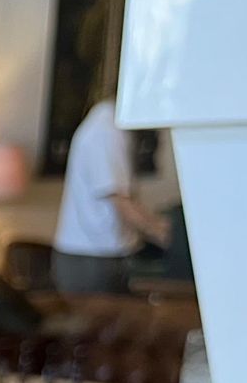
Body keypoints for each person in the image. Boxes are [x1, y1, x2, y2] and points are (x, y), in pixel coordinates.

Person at [53, 99, 171, 293]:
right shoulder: (106, 130)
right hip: (91, 260)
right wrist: (167, 236)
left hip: (100, 256)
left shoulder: (113, 126)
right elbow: (119, 200)